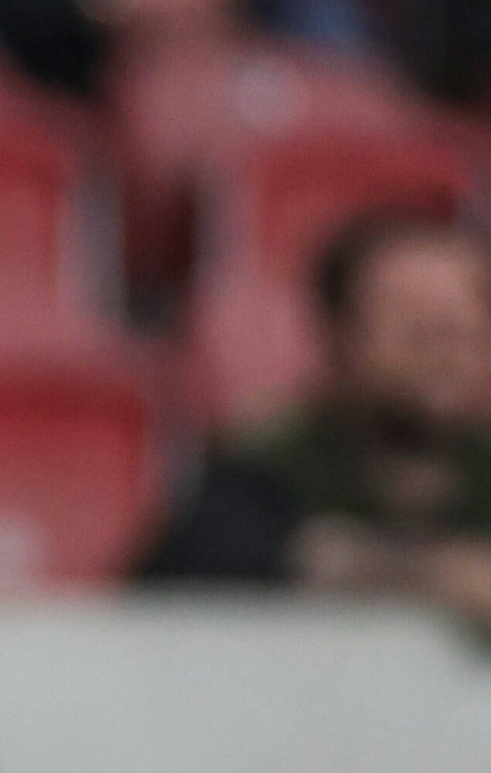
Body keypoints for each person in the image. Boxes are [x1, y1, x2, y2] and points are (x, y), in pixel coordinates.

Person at [142, 213, 491, 633]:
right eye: (413, 322)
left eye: (463, 323)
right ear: (339, 332)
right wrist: (429, 573)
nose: (444, 348)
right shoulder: (269, 462)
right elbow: (182, 583)